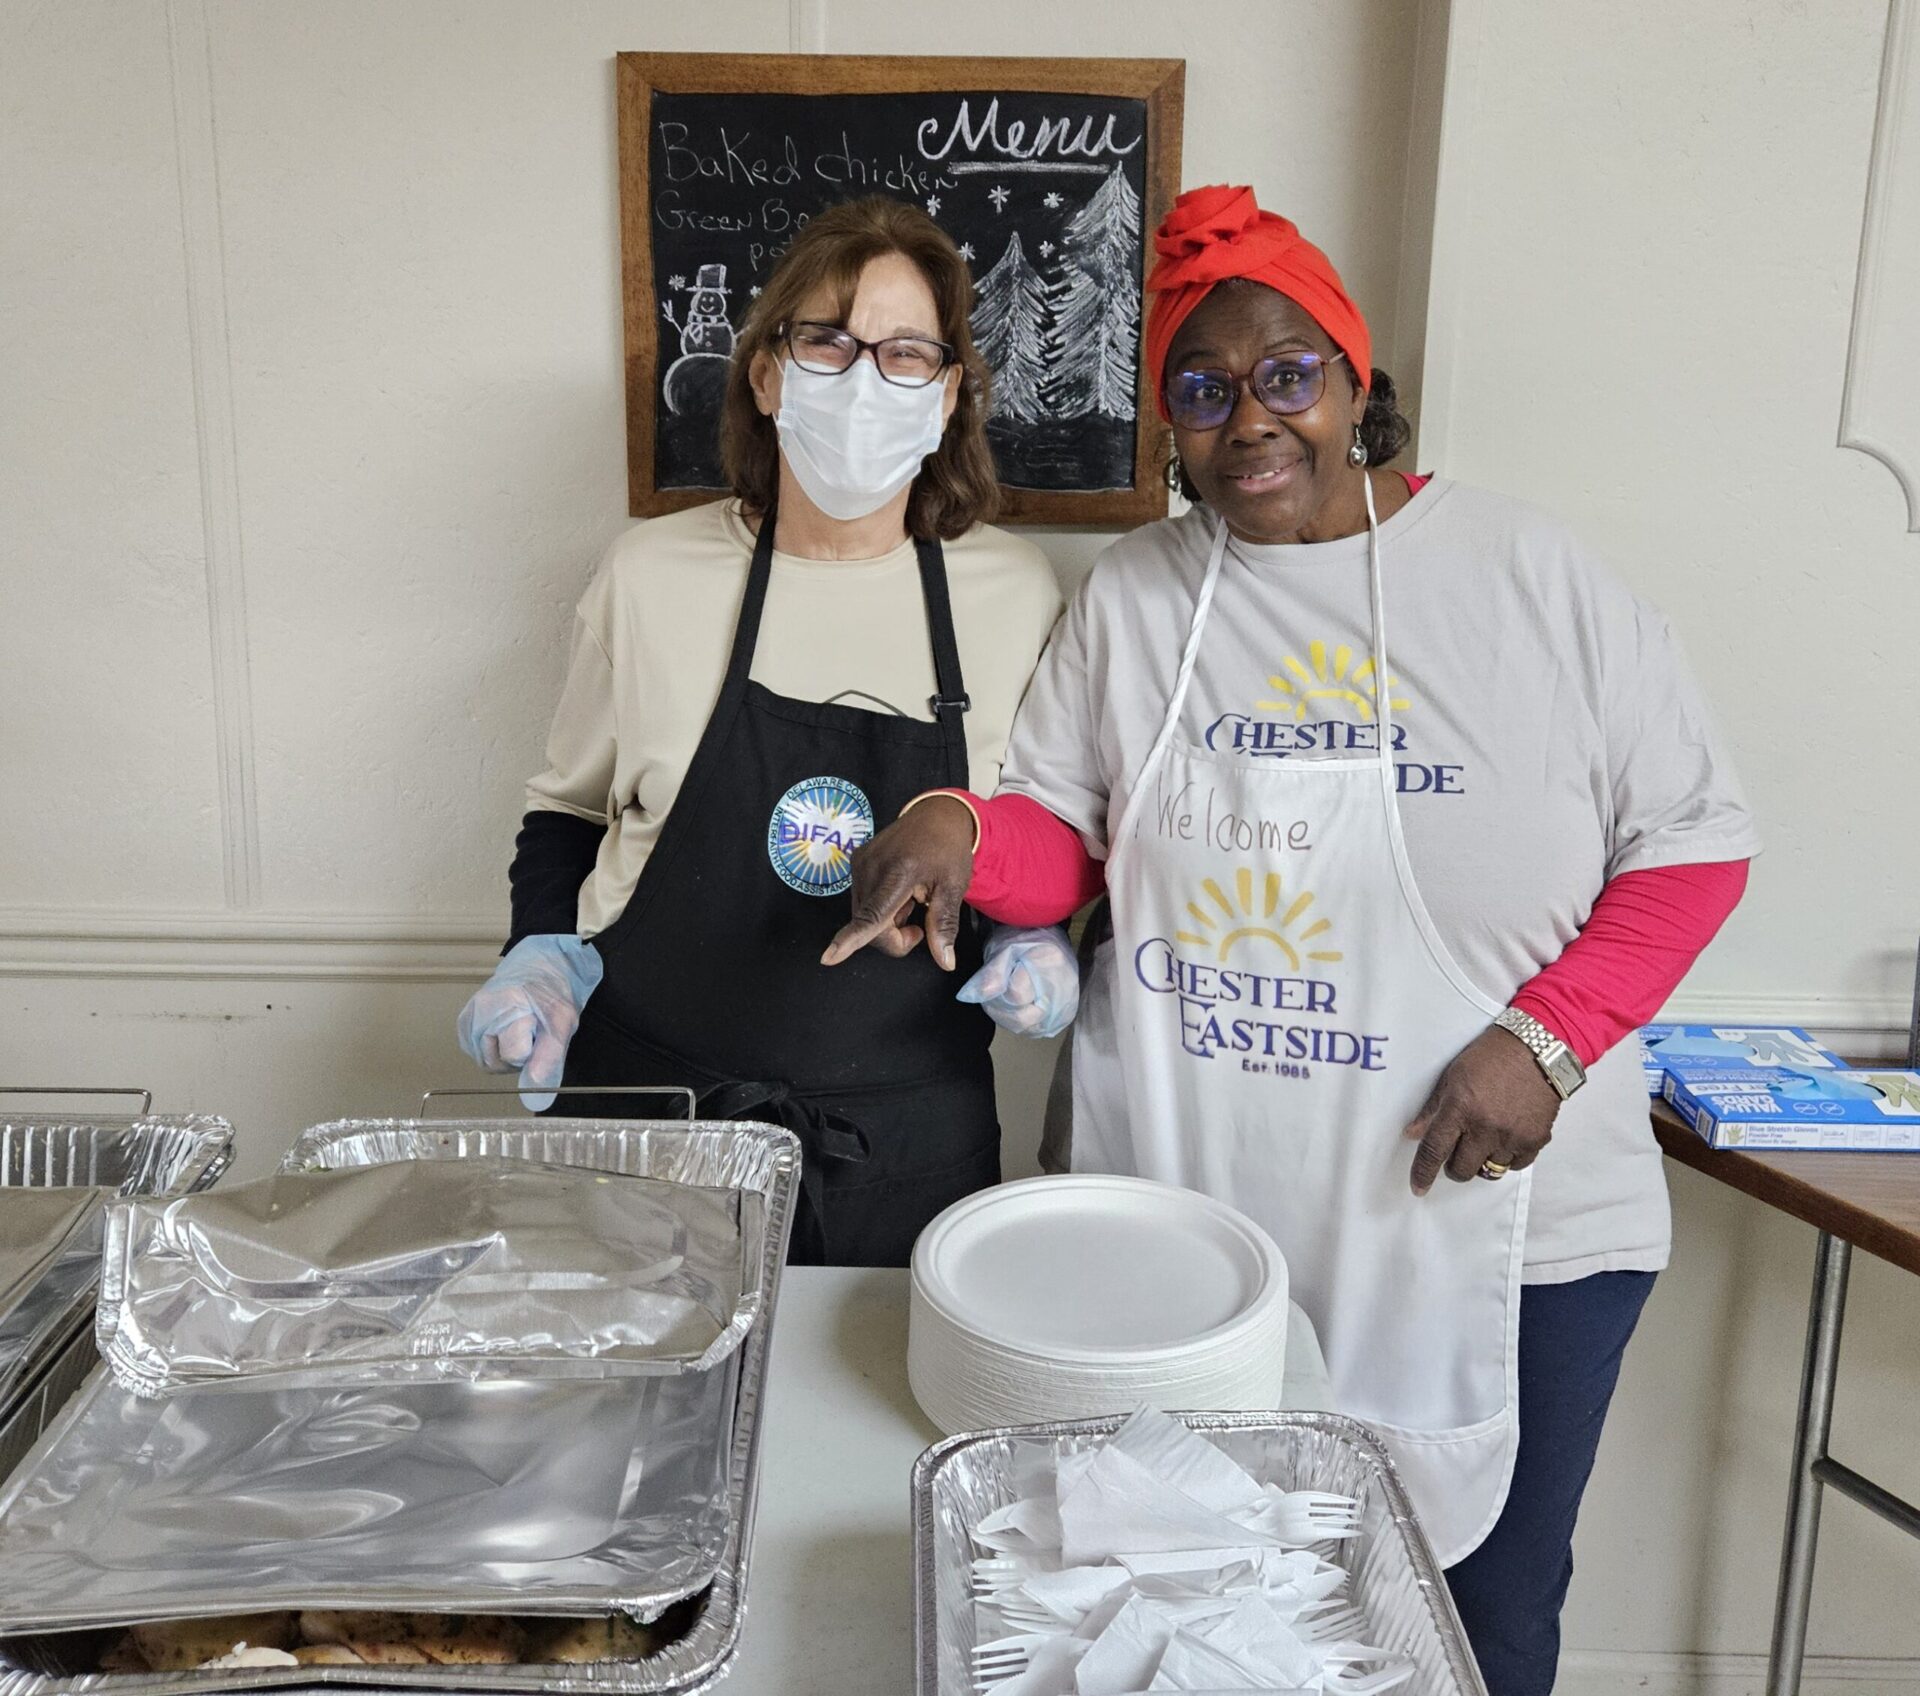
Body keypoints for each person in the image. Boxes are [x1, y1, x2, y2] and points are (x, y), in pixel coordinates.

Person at [826, 184, 1759, 1692]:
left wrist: (1546, 1038)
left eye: (1286, 374)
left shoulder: (1532, 578)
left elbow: (1695, 849)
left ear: (1356, 386)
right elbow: (1067, 836)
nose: (1249, 421)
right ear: (1170, 431)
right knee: (1176, 1607)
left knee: (1471, 1626)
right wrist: (958, 829)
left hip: (1499, 1222)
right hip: (1206, 1219)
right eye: (1202, 394)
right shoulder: (1139, 592)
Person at [456, 196, 1076, 1268]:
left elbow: (1033, 827)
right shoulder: (647, 574)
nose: (862, 376)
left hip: (902, 1139)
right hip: (643, 1122)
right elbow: (564, 810)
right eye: (827, 341)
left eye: (905, 353)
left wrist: (1032, 940)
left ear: (947, 397)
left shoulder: (1014, 593)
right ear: (767, 373)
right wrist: (539, 960)